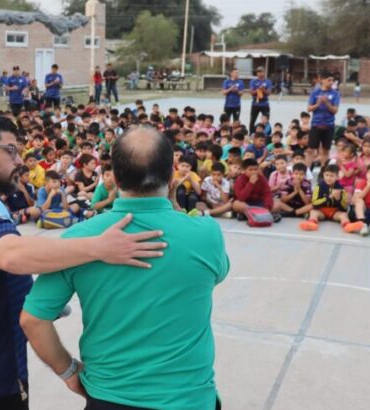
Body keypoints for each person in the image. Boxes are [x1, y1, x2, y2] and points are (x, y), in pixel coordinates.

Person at [0, 115, 166, 410]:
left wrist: (30, 293)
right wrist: (98, 247)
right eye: (11, 150)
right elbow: (10, 254)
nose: (18, 161)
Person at [20, 127, 227, 410]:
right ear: (171, 177)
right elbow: (215, 275)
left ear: (114, 178)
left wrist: (68, 371)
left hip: (109, 397)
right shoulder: (206, 234)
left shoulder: (80, 240)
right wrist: (177, 216)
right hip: (189, 399)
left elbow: (33, 319)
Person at [300, 164, 358, 232]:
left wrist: (338, 199)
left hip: (335, 211)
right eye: (326, 175)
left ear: (337, 177)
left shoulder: (341, 189)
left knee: (344, 215)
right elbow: (314, 203)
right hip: (322, 211)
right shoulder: (319, 187)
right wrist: (328, 197)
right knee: (313, 212)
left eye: (332, 176)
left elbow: (344, 207)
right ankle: (311, 223)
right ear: (323, 175)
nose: (329, 178)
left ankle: (347, 225)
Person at [307, 71, 340, 165]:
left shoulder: (335, 94)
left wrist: (326, 103)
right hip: (316, 125)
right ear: (322, 80)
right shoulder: (315, 93)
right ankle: (306, 172)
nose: (331, 82)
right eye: (329, 80)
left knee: (325, 151)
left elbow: (335, 111)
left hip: (329, 126)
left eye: (332, 80)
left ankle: (324, 171)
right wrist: (318, 104)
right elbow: (309, 109)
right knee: (310, 150)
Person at [248, 67, 272, 132]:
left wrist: (263, 90)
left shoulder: (268, 82)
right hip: (255, 103)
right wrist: (258, 90)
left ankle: (266, 133)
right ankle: (251, 134)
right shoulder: (253, 81)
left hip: (264, 103)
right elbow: (251, 92)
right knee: (252, 120)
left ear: (264, 72)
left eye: (261, 72)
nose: (260, 73)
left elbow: (269, 93)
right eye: (258, 72)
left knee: (266, 120)